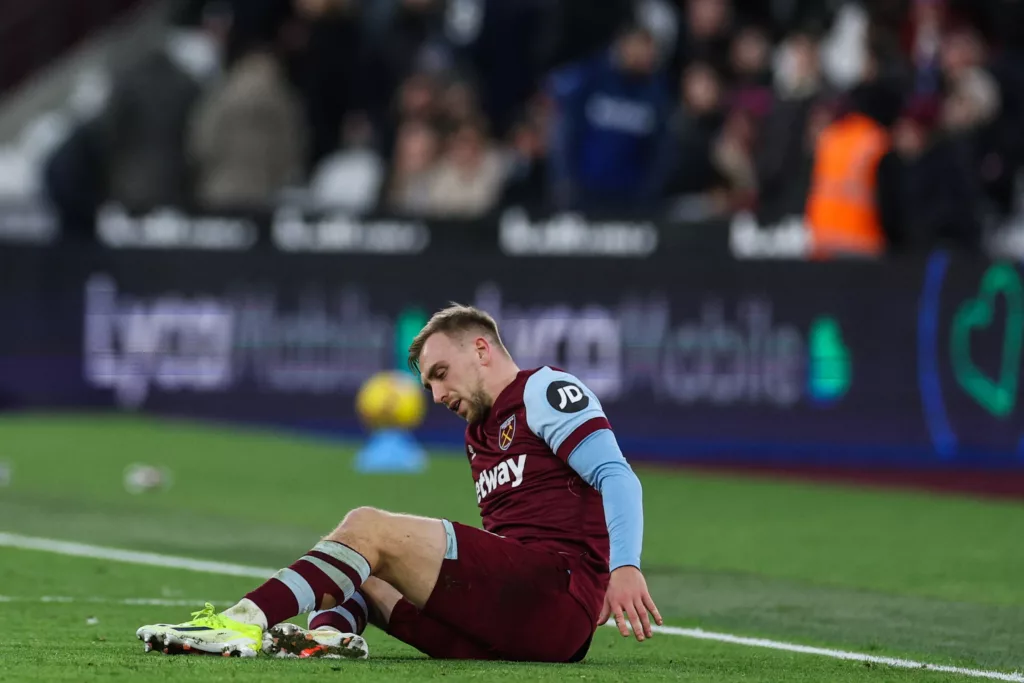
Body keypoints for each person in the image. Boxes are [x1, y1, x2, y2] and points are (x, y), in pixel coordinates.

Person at [136, 304, 661, 661]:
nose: (435, 395)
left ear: (481, 349)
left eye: (440, 372)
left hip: (556, 598)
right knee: (360, 567)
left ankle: (243, 621)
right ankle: (329, 637)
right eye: (428, 382)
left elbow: (617, 476)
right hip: (523, 619)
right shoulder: (480, 432)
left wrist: (625, 568)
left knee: (368, 527)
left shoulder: (545, 390)